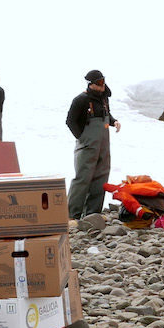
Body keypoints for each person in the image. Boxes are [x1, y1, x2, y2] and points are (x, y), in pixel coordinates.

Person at [63, 70, 118, 221]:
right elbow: (70, 121)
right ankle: (72, 214)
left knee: (101, 176)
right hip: (87, 145)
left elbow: (107, 114)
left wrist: (114, 122)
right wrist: (81, 137)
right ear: (90, 84)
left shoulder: (104, 98)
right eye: (99, 83)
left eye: (103, 81)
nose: (102, 86)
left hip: (103, 145)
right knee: (83, 178)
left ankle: (93, 213)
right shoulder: (80, 100)